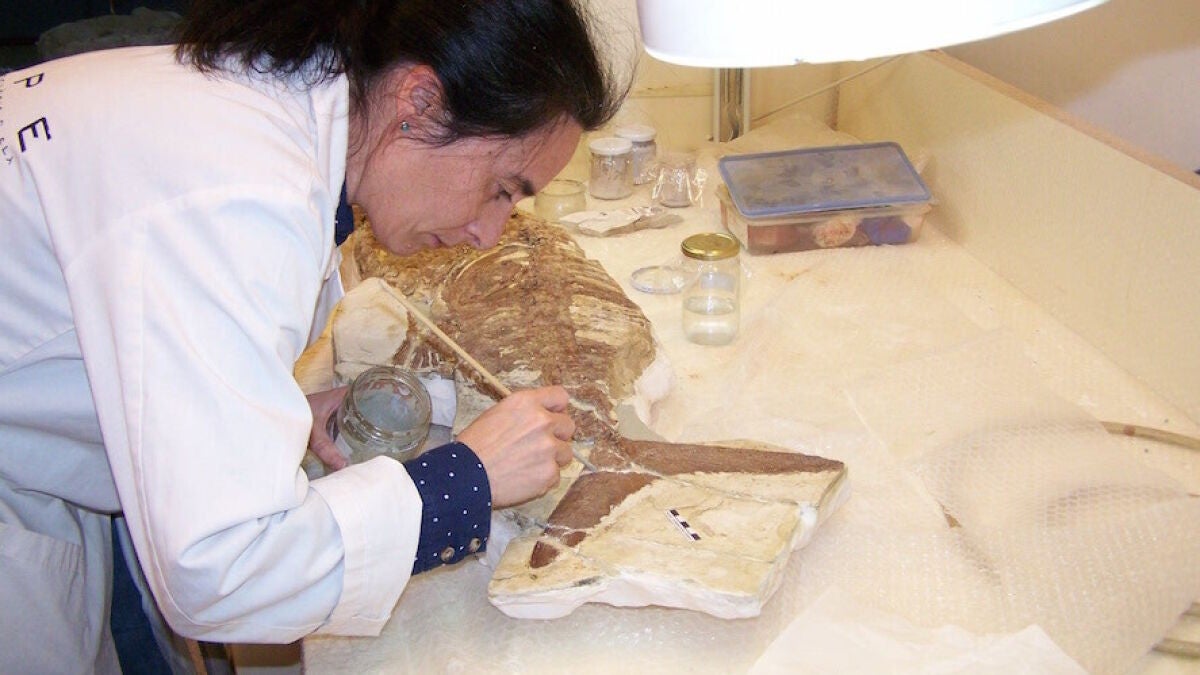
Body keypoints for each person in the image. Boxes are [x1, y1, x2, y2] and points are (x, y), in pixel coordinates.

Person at [0, 0, 626, 671]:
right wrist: (463, 480)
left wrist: (260, 408)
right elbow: (223, 569)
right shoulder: (238, 197)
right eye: (501, 189)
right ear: (419, 100)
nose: (489, 234)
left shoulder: (268, 102)